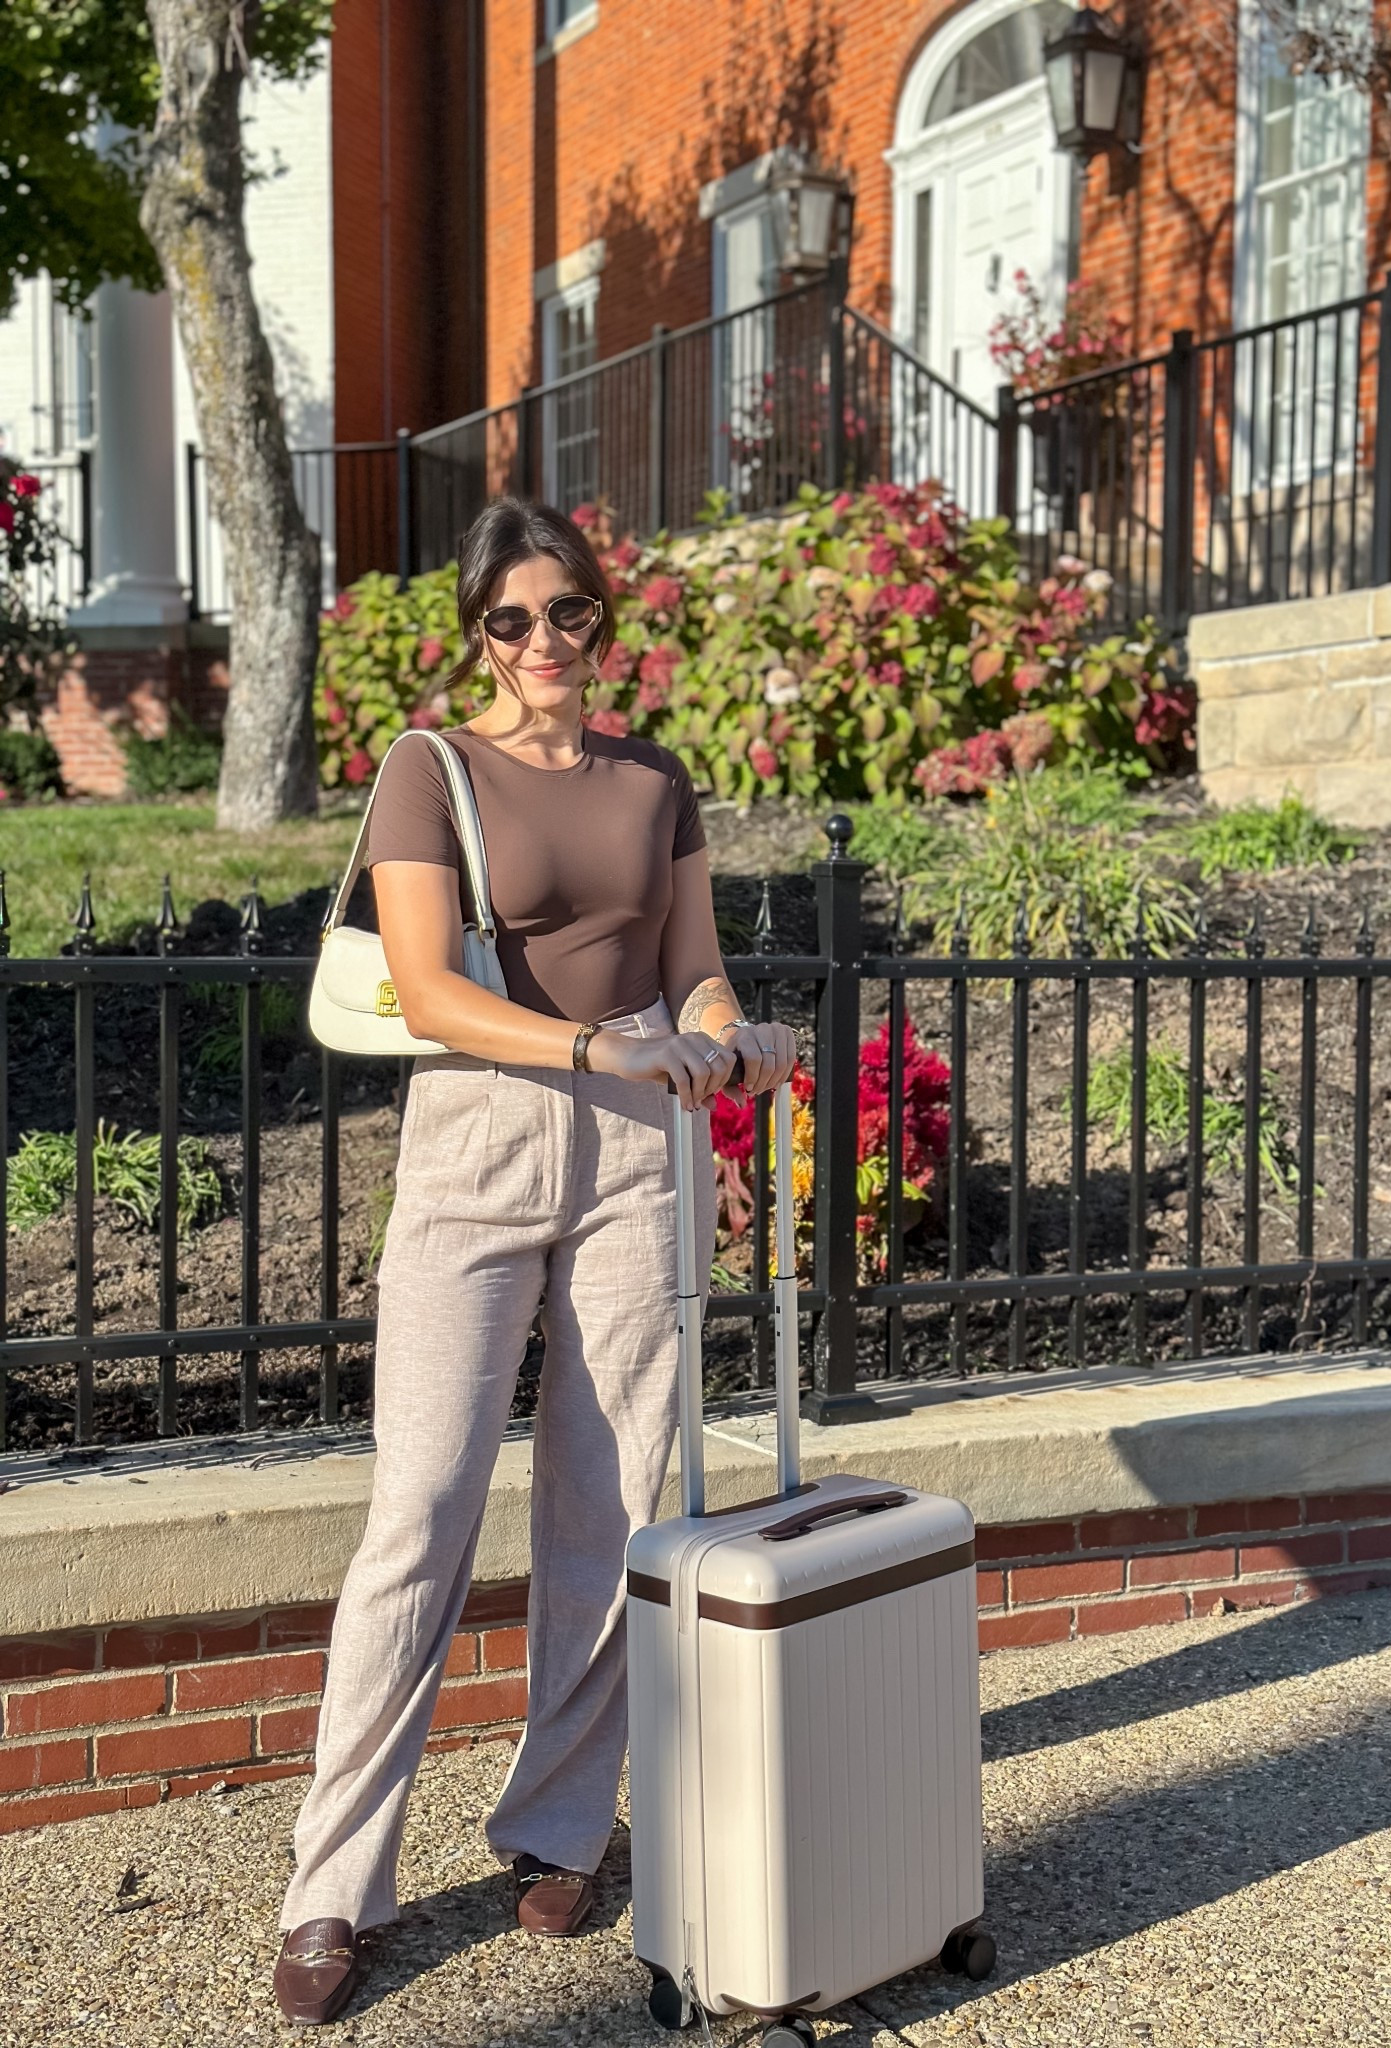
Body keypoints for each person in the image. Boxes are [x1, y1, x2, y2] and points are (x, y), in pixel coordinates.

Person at [273, 498, 796, 2027]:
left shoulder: (656, 780)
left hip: (640, 1154)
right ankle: (333, 1884)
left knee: (610, 1501)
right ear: (476, 636)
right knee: (420, 1511)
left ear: (602, 620)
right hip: (480, 1144)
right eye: (512, 620)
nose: (545, 643)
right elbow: (430, 989)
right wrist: (590, 1045)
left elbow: (692, 967)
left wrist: (719, 1054)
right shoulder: (429, 772)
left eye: (568, 612)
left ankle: (561, 1827)